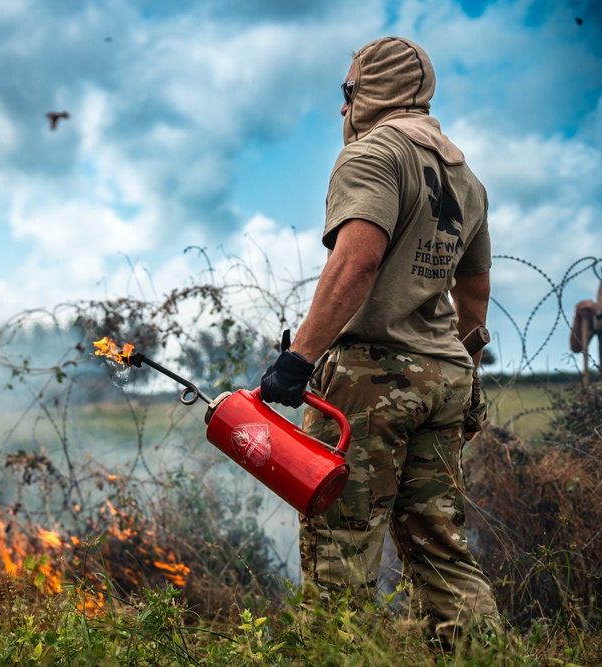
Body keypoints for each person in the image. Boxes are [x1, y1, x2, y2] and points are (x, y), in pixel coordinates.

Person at [259, 37, 499, 646]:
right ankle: (482, 656)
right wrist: (466, 375)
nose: (343, 109)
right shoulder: (465, 177)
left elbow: (357, 260)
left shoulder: (371, 156)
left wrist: (298, 359)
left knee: (340, 547)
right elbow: (473, 299)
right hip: (445, 380)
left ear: (370, 92)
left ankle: (340, 659)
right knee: (440, 549)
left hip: (372, 382)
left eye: (348, 91)